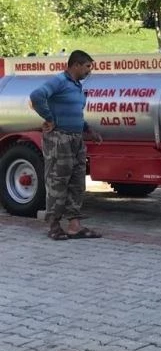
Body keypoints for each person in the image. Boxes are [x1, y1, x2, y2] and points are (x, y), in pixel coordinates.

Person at [29, 50, 103, 240]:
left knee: (77, 182)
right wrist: (49, 118)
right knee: (57, 181)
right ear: (76, 65)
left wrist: (89, 130)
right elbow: (37, 96)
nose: (89, 71)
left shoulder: (77, 86)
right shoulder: (59, 81)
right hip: (59, 139)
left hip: (76, 138)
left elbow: (76, 113)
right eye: (87, 66)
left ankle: (74, 226)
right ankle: (54, 225)